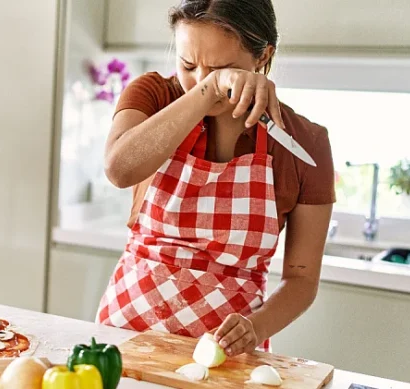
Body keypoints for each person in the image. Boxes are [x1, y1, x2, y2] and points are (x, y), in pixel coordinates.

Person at [96, 0, 335, 357]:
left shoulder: (305, 143)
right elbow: (119, 168)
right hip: (124, 333)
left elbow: (301, 279)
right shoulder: (154, 95)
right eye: (188, 65)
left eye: (223, 67)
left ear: (262, 56)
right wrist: (210, 88)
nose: (198, 79)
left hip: (223, 356)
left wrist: (255, 328)